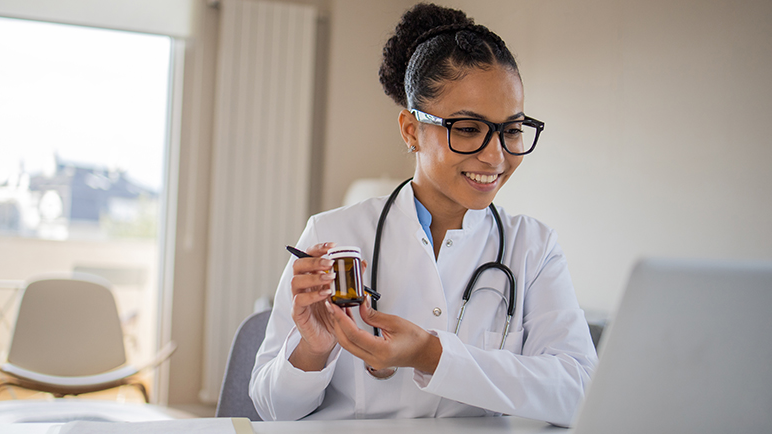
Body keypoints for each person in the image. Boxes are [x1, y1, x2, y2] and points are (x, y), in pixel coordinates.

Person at [249, 3, 597, 426]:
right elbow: (270, 411)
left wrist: (430, 355)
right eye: (468, 129)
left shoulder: (534, 248)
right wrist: (314, 350)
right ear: (412, 130)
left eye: (511, 130)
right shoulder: (332, 232)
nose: (496, 155)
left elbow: (580, 391)